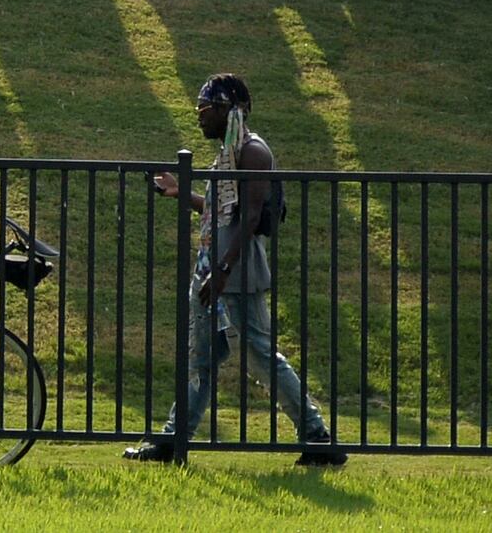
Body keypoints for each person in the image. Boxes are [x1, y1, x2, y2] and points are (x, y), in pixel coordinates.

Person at [129, 74, 344, 468]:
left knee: (262, 355)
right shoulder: (229, 152)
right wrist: (182, 192)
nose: (199, 117)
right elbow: (220, 213)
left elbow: (248, 218)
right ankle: (173, 440)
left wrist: (224, 270)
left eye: (205, 109)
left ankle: (318, 437)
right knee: (200, 361)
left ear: (229, 109)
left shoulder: (254, 152)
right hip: (212, 269)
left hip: (236, 273)